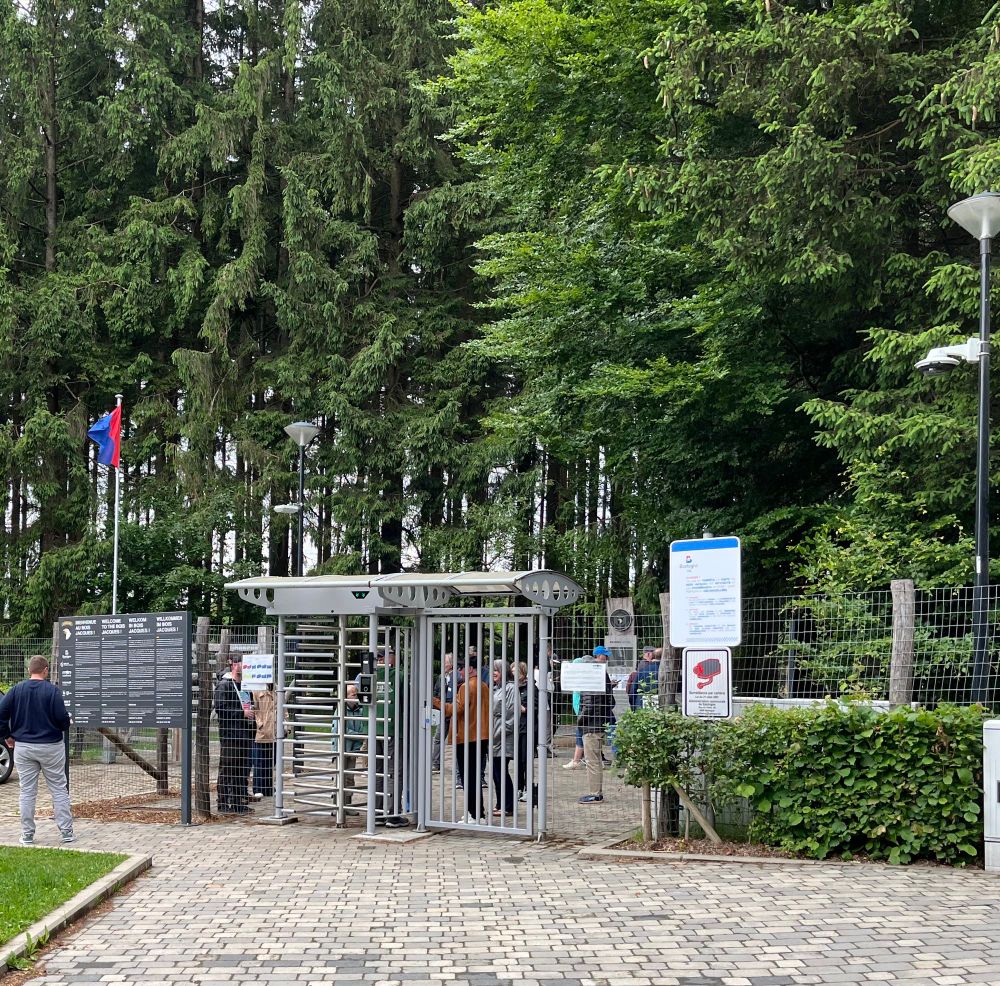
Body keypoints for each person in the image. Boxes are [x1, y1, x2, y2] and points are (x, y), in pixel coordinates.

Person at [0, 655, 74, 846]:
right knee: (58, 788)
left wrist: (7, 736)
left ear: (29, 670)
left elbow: (1, 714)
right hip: (51, 747)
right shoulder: (53, 691)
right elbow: (62, 718)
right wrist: (66, 723)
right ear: (45, 670)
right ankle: (66, 832)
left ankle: (27, 834)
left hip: (23, 747)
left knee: (27, 791)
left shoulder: (16, 690)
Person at [433, 655, 490, 822]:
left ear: (470, 669)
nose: (459, 671)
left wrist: (435, 702)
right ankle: (478, 813)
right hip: (481, 736)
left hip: (467, 736)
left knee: (468, 777)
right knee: (475, 776)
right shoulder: (483, 685)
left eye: (462, 668)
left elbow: (455, 709)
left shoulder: (467, 686)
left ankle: (474, 814)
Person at [213, 655, 256, 815]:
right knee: (228, 769)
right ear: (234, 665)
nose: (245, 668)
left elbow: (249, 705)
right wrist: (241, 713)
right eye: (243, 664)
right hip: (230, 735)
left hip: (245, 734)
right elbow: (220, 709)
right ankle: (223, 803)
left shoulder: (245, 685)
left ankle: (238, 804)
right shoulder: (224, 685)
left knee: (241, 770)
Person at [578, 646, 615, 805]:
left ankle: (595, 794)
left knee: (592, 761)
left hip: (591, 726)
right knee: (596, 760)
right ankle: (597, 792)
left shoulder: (590, 679)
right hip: (601, 723)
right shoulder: (603, 676)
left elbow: (588, 705)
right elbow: (611, 702)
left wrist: (580, 720)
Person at [490, 660, 518, 817]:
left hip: (503, 737)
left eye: (497, 670)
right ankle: (500, 803)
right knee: (495, 772)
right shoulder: (495, 688)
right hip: (493, 736)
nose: (494, 673)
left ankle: (508, 805)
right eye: (492, 670)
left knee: (501, 771)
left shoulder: (511, 688)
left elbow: (512, 714)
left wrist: (500, 733)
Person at [332, 683, 367, 803]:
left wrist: (358, 737)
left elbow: (363, 727)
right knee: (340, 777)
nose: (356, 697)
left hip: (353, 750)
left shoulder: (359, 711)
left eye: (356, 694)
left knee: (350, 777)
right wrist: (359, 736)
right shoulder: (340, 710)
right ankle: (337, 803)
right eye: (353, 695)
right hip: (341, 749)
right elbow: (341, 729)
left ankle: (347, 804)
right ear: (346, 696)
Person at [432, 652, 461, 771]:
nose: (443, 664)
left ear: (451, 664)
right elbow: (436, 691)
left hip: (454, 711)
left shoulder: (458, 676)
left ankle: (459, 766)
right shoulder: (441, 677)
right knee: (438, 738)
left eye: (446, 662)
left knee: (457, 739)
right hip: (443, 711)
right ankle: (436, 763)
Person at [250, 683, 277, 800]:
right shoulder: (256, 691)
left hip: (274, 732)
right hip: (261, 733)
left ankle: (268, 787)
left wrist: (286, 726)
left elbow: (283, 709)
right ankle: (258, 788)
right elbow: (254, 710)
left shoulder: (277, 690)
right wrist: (260, 724)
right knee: (259, 761)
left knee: (271, 761)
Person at [512, 661, 530, 801]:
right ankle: (518, 788)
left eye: (515, 671)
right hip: (514, 728)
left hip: (526, 728)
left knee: (525, 760)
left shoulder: (530, 688)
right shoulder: (511, 688)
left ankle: (528, 789)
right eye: (512, 671)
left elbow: (533, 708)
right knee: (517, 760)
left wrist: (520, 707)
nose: (513, 673)